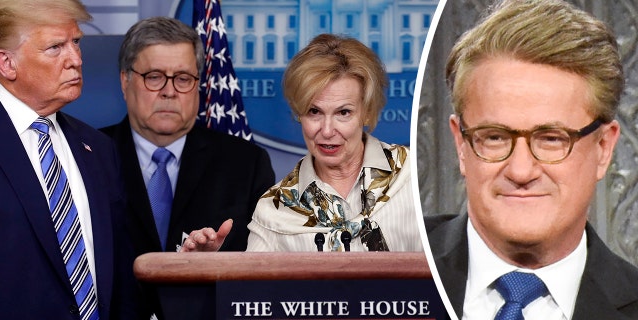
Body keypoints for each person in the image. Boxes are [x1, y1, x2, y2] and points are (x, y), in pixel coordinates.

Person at [423, 0, 638, 319]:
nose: (521, 171)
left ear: (604, 148)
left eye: (552, 139)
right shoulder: (381, 269)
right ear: (461, 143)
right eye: (494, 137)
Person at [101, 16, 275, 319]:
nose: (169, 92)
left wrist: (210, 265)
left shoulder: (245, 164)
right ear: (125, 80)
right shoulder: (88, 155)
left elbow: (261, 275)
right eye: (154, 76)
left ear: (198, 86)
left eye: (183, 78)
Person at [0, 0, 138, 318]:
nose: (75, 59)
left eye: (76, 42)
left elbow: (120, 277)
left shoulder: (98, 149)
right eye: (55, 47)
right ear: (6, 63)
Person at [241, 33, 423, 252]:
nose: (327, 131)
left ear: (366, 112)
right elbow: (253, 286)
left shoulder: (416, 177)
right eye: (314, 111)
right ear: (300, 113)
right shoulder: (273, 210)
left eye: (343, 112)